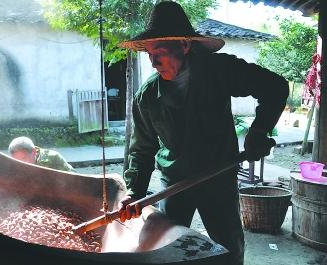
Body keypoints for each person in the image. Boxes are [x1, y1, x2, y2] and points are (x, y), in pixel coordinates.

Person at [117, 2, 289, 265]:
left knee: (228, 250)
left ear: (184, 46)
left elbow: (275, 86)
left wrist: (259, 130)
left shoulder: (218, 70)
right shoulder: (147, 97)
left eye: (160, 52)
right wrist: (134, 191)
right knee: (168, 250)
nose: (153, 62)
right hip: (174, 185)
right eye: (149, 54)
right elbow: (142, 149)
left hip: (218, 177)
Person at [8, 136, 74, 172]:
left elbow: (74, 178)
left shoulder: (53, 158)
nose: (20, 164)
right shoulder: (12, 165)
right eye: (16, 161)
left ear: (34, 152)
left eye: (23, 158)